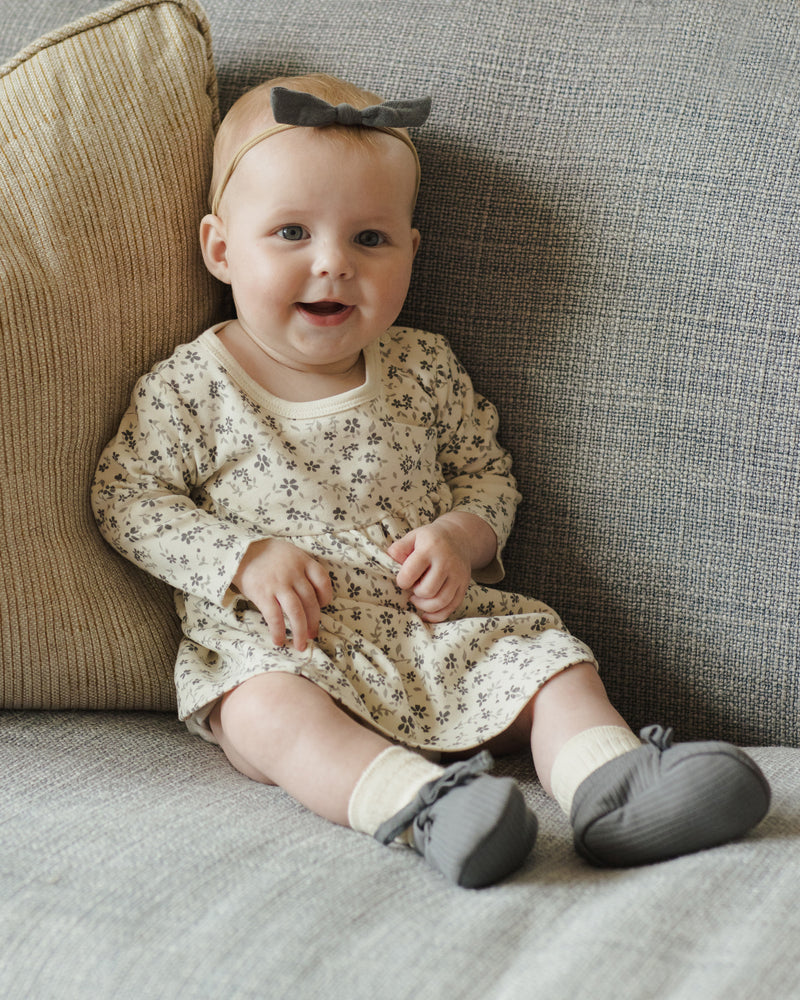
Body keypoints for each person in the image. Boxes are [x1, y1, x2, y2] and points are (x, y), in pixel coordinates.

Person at [92, 73, 770, 888]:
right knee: (262, 713)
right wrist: (244, 557)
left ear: (412, 251)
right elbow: (126, 499)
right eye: (291, 232)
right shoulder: (191, 386)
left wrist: (460, 536)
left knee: (554, 664)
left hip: (440, 628)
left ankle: (612, 784)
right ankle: (423, 806)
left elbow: (489, 477)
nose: (333, 264)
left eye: (370, 240)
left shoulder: (424, 367)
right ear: (220, 248)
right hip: (292, 647)